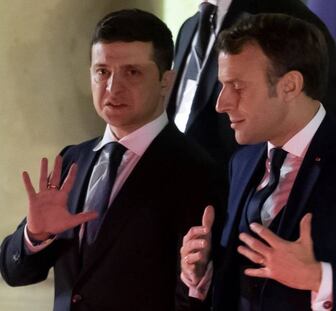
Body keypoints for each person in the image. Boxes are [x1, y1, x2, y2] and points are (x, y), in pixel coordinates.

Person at [180, 13, 336, 311]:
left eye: (237, 86)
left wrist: (319, 278)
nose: (221, 103)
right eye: (222, 84)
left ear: (290, 85)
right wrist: (203, 274)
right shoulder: (240, 163)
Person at [0, 9, 224, 311]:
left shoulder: (198, 171)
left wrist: (198, 280)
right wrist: (35, 236)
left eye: (132, 72)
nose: (112, 87)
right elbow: (15, 272)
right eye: (102, 71)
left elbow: (194, 298)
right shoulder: (72, 159)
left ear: (165, 81)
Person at [167, 0, 336, 171]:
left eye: (237, 86)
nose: (221, 105)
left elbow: (321, 126)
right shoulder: (189, 27)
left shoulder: (288, 19)